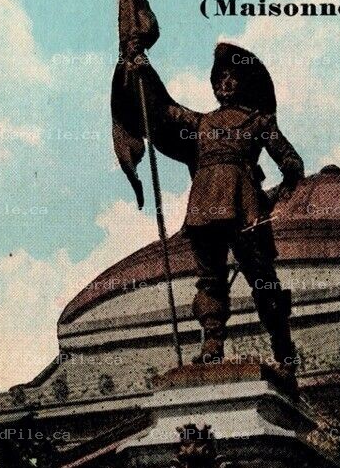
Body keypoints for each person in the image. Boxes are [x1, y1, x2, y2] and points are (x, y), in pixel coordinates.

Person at [122, 42, 304, 374]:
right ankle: (212, 344)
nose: (224, 83)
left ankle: (283, 348)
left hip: (246, 207)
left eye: (232, 77)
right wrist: (141, 67)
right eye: (219, 78)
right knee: (209, 280)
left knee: (263, 280)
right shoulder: (200, 122)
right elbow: (163, 110)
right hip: (205, 207)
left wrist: (278, 193)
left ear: (243, 83)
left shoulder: (260, 121)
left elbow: (291, 161)